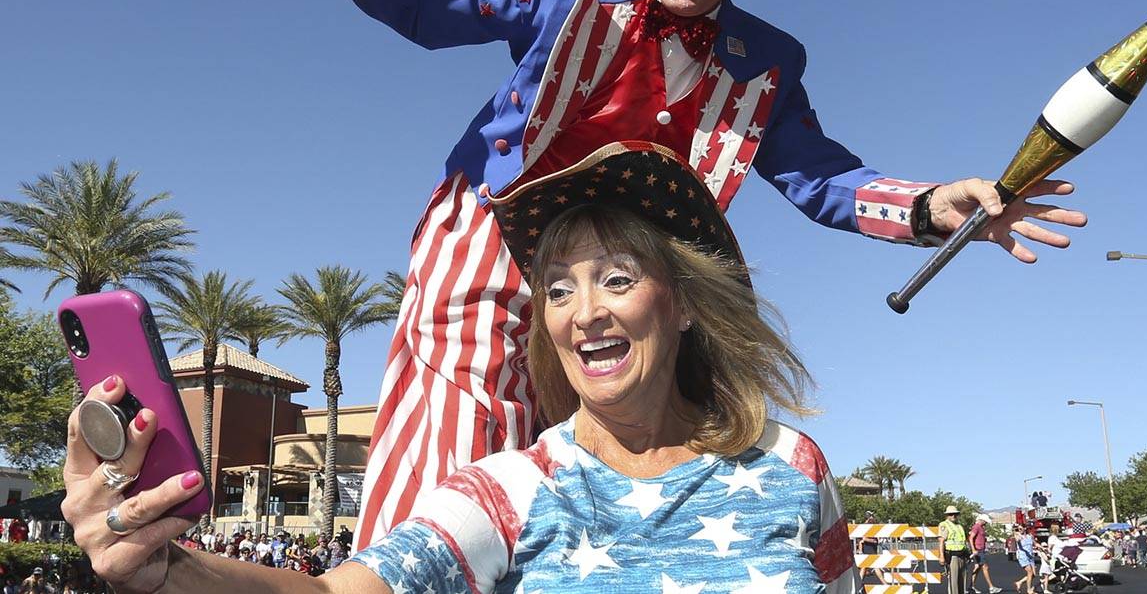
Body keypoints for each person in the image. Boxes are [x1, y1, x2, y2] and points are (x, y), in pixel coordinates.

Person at [242, 0, 1089, 551]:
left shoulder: (767, 63)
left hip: (640, 292)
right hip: (491, 256)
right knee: (462, 464)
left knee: (607, 491)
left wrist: (932, 206)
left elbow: (822, 179)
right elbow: (425, 5)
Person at [61, 142, 858, 592]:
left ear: (682, 303)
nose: (585, 312)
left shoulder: (792, 467)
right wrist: (163, 563)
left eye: (617, 277)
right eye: (556, 288)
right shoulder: (509, 490)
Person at [938, 506, 971, 594]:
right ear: (947, 515)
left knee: (962, 580)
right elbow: (941, 541)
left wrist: (968, 554)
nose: (953, 516)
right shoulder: (944, 525)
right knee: (954, 581)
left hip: (962, 555)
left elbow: (963, 541)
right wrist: (941, 556)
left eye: (955, 514)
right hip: (952, 556)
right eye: (950, 514)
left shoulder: (959, 526)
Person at [967, 514, 1001, 594]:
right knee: (985, 567)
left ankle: (970, 587)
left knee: (977, 568)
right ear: (982, 520)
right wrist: (973, 549)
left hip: (980, 550)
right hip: (978, 550)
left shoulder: (981, 527)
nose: (986, 523)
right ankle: (991, 587)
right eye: (985, 521)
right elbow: (971, 538)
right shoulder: (976, 527)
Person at [1013, 524, 1038, 593]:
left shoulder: (1030, 536)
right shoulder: (1017, 535)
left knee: (1033, 575)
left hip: (1030, 556)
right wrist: (1017, 533)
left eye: (1021, 529)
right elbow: (1018, 539)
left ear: (1025, 528)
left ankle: (1019, 582)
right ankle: (1029, 590)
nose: (1020, 530)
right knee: (1029, 572)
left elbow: (1035, 543)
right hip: (1023, 556)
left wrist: (1043, 548)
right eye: (1018, 529)